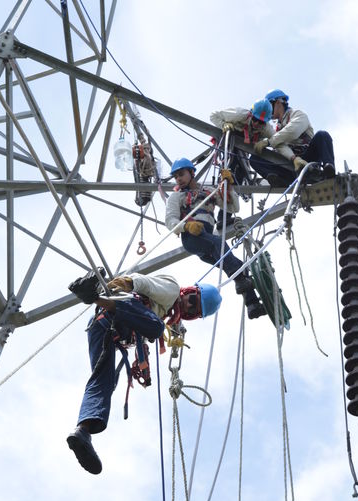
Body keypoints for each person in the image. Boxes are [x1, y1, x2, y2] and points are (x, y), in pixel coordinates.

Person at [66, 268, 222, 475]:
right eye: (193, 299)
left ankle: (83, 432)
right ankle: (95, 295)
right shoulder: (172, 289)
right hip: (118, 312)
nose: (188, 305)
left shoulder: (168, 311)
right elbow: (143, 283)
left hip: (103, 328)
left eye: (193, 310)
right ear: (189, 291)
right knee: (156, 328)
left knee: (104, 382)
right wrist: (124, 283)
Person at [165, 157, 266, 320]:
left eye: (181, 174)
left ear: (191, 173)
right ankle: (241, 282)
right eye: (176, 176)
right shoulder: (176, 197)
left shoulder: (208, 191)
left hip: (207, 238)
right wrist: (186, 226)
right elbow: (170, 220)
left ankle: (252, 305)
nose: (178, 179)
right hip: (192, 237)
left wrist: (229, 187)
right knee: (218, 245)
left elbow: (233, 207)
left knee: (237, 265)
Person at [250, 89, 336, 186]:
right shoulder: (276, 128)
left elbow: (292, 131)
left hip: (307, 159)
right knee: (254, 158)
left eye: (269, 106)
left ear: (278, 103)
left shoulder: (298, 115)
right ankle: (281, 180)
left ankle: (328, 170)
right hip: (289, 164)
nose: (267, 110)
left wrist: (269, 142)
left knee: (322, 135)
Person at [210, 100, 275, 228]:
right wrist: (223, 124)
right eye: (255, 119)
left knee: (238, 179)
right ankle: (220, 218)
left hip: (244, 152)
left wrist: (269, 143)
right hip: (231, 144)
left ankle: (224, 218)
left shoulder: (267, 128)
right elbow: (213, 116)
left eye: (261, 122)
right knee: (230, 175)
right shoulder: (239, 114)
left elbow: (278, 140)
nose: (257, 124)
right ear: (251, 114)